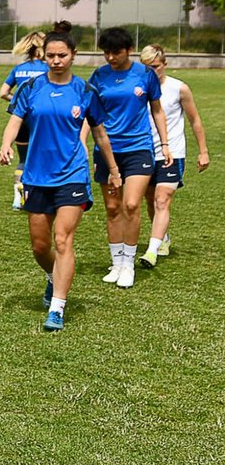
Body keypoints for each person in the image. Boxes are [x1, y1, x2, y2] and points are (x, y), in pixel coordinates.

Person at [0, 25, 119, 331]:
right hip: (37, 176)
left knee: (63, 240)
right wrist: (5, 145)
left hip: (72, 175)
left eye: (62, 55)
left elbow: (101, 135)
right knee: (40, 247)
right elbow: (15, 122)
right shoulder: (31, 89)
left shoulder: (85, 92)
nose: (55, 60)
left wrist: (114, 170)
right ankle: (53, 277)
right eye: (50, 55)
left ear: (73, 55)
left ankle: (57, 308)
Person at [88, 27, 170, 289]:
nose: (110, 57)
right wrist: (80, 143)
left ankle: (129, 264)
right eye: (106, 52)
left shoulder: (145, 75)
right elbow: (91, 115)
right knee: (113, 208)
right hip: (107, 150)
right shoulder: (99, 76)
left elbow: (157, 111)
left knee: (132, 205)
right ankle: (117, 262)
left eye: (116, 52)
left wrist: (165, 144)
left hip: (138, 148)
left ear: (129, 50)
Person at [137, 44, 210, 268]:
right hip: (143, 152)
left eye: (156, 67)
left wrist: (203, 151)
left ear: (165, 65)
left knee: (162, 199)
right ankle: (163, 238)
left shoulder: (179, 88)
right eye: (147, 67)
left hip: (173, 152)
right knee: (150, 200)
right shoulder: (136, 89)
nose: (152, 72)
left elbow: (194, 120)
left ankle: (151, 251)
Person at [0, 31, 49, 210]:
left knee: (23, 159)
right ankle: (38, 195)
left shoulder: (19, 69)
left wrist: (18, 102)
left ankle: (17, 198)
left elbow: (3, 93)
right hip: (41, 120)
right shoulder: (48, 69)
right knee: (44, 158)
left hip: (20, 120)